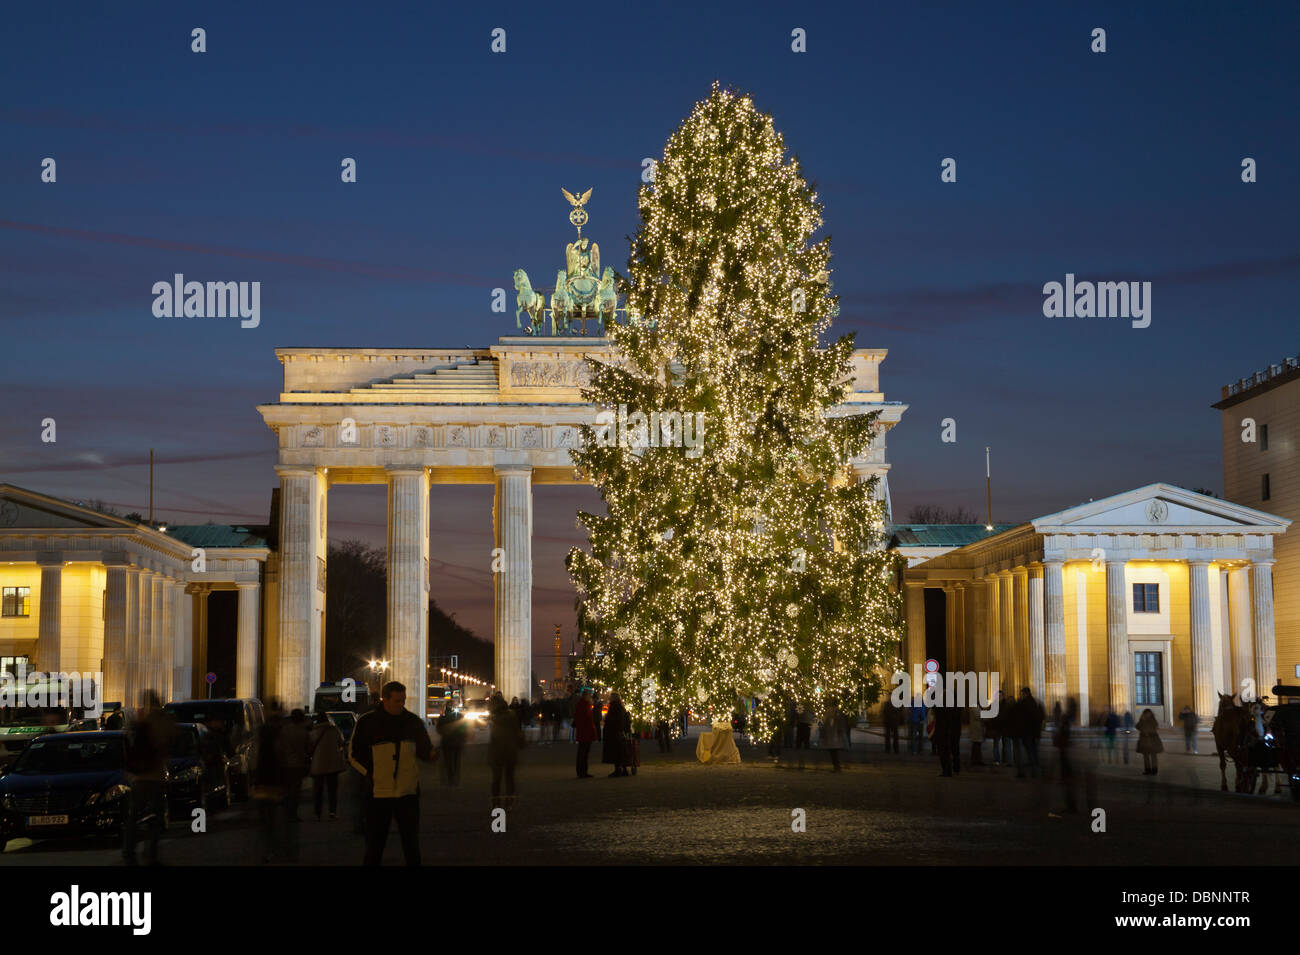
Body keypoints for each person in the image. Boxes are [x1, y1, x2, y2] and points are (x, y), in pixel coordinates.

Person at [348, 681, 437, 865]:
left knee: (411, 845)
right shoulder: (367, 722)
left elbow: (424, 750)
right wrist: (371, 774)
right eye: (397, 701)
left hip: (408, 793)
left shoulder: (413, 722)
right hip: (378, 793)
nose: (401, 705)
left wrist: (432, 755)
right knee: (374, 845)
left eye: (403, 700)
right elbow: (353, 754)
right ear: (385, 699)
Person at [122, 691, 174, 866]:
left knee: (133, 817)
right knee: (156, 818)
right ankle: (150, 854)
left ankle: (128, 854)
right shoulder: (161, 720)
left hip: (136, 778)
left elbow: (127, 744)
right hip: (154, 776)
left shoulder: (138, 722)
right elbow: (172, 739)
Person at [488, 692, 524, 807]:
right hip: (510, 750)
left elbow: (493, 736)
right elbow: (517, 731)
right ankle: (510, 799)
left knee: (496, 777)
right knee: (510, 776)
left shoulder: (493, 718)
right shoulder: (512, 715)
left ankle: (496, 800)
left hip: (497, 751)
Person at [308, 712, 345, 819]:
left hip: (318, 764)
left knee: (318, 790)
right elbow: (341, 742)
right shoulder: (334, 730)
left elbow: (309, 746)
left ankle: (318, 813)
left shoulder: (314, 732)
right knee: (332, 790)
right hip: (333, 764)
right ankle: (332, 812)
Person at [278, 708, 310, 832]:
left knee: (286, 790)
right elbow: (308, 748)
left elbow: (279, 747)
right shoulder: (303, 732)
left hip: (286, 764)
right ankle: (293, 814)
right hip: (298, 765)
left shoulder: (284, 730)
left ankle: (285, 813)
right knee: (295, 791)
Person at [436, 706, 467, 786]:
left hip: (446, 743)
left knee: (448, 761)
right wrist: (463, 738)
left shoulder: (443, 718)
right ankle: (456, 779)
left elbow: (439, 729)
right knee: (456, 761)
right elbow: (464, 729)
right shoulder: (459, 717)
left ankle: (450, 777)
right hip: (457, 742)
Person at [602, 692, 632, 777]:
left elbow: (612, 720)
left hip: (614, 733)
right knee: (621, 752)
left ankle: (617, 770)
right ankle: (624, 770)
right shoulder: (621, 707)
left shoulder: (614, 707)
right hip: (620, 732)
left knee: (616, 752)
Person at [1017, 688, 1044, 778]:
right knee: (1034, 752)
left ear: (1025, 693)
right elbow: (1040, 716)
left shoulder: (1025, 704)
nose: (1021, 695)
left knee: (1029, 752)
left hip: (1027, 732)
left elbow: (1021, 718)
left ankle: (1033, 771)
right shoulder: (1035, 703)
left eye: (1022, 694)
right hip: (1034, 732)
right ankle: (1036, 769)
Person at [573, 689, 596, 778]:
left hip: (582, 732)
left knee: (582, 752)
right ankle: (583, 771)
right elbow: (588, 720)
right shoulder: (585, 705)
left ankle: (581, 771)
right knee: (584, 753)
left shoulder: (581, 704)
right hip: (586, 732)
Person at [935, 705, 961, 777]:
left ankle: (947, 770)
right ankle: (956, 768)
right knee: (954, 749)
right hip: (954, 729)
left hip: (944, 729)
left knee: (944, 751)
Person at [821, 699, 846, 772]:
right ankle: (837, 766)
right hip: (834, 736)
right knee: (834, 752)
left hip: (832, 736)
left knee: (833, 752)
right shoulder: (838, 711)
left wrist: (824, 732)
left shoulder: (829, 712)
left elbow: (826, 723)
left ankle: (837, 767)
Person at [1136, 708, 1162, 775]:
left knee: (1148, 756)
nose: (1148, 714)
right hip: (1150, 740)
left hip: (1147, 740)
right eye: (1147, 713)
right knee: (1150, 756)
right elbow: (1137, 726)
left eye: (1148, 713)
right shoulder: (1150, 720)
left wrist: (1144, 730)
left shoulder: (1147, 720)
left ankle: (1150, 770)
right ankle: (1152, 770)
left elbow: (1138, 727)